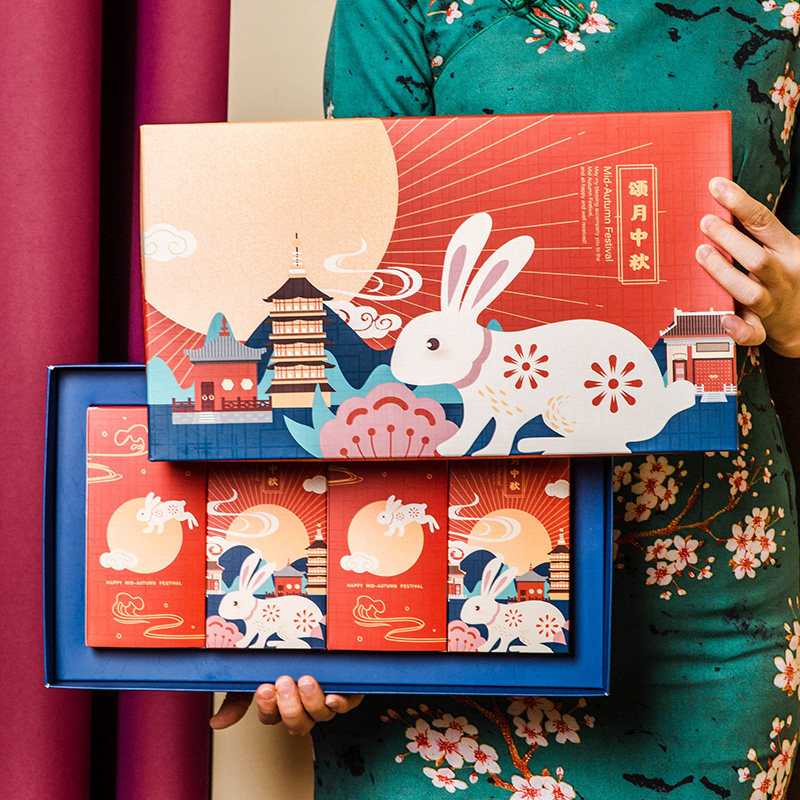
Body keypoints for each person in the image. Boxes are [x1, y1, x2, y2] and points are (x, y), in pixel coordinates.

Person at [212, 2, 800, 796]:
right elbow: (362, 265)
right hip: (444, 595)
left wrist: (795, 314)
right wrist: (326, 617)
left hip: (703, 601)